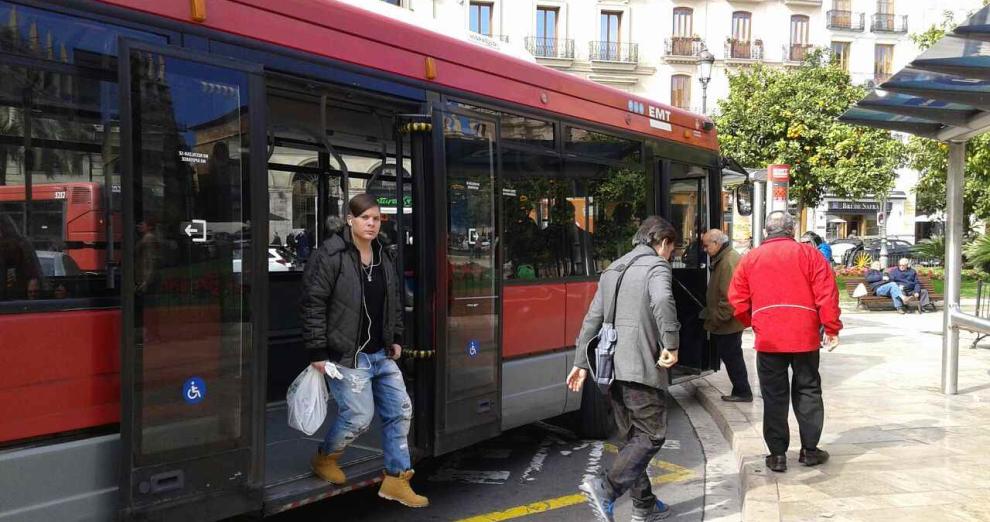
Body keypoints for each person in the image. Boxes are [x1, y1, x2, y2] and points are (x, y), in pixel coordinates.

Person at [300, 194, 428, 508]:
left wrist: (396, 337)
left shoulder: (384, 255)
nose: (371, 224)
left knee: (400, 410)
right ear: (350, 219)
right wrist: (317, 352)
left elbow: (393, 301)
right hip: (346, 355)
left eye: (376, 218)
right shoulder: (330, 255)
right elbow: (313, 304)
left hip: (380, 354)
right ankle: (325, 458)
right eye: (364, 218)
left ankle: (397, 480)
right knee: (359, 416)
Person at [567, 216, 681, 522]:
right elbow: (662, 299)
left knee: (632, 438)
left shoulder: (613, 267)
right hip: (640, 366)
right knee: (652, 435)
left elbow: (592, 318)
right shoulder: (657, 266)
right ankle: (607, 487)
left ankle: (644, 503)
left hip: (609, 368)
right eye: (672, 249)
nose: (671, 255)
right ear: (663, 242)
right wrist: (671, 344)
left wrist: (580, 363)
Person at [728, 211, 842, 473]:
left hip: (769, 339)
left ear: (767, 231)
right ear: (791, 230)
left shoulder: (751, 258)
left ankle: (777, 454)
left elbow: (737, 299)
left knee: (774, 396)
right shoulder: (810, 255)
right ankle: (810, 450)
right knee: (809, 391)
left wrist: (753, 322)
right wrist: (832, 327)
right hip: (805, 336)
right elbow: (827, 294)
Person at [701, 229, 752, 403]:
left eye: (707, 245)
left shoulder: (728, 261)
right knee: (732, 356)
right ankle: (741, 390)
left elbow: (730, 298)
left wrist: (716, 319)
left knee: (732, 357)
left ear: (717, 243)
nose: (705, 249)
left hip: (728, 323)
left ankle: (743, 392)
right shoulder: (724, 258)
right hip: (726, 321)